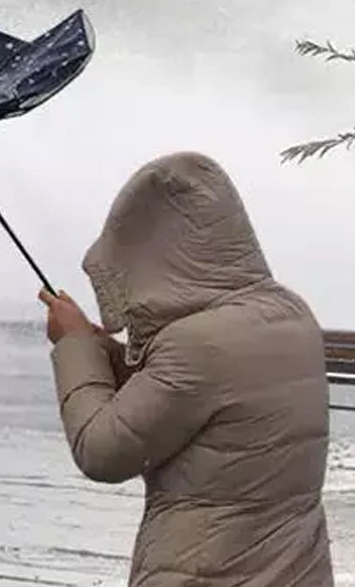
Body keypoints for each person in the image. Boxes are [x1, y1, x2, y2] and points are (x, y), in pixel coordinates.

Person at [38, 151, 333, 585]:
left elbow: (103, 451)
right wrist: (103, 349)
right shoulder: (289, 313)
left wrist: (75, 345)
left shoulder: (197, 344)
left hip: (208, 570)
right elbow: (191, 403)